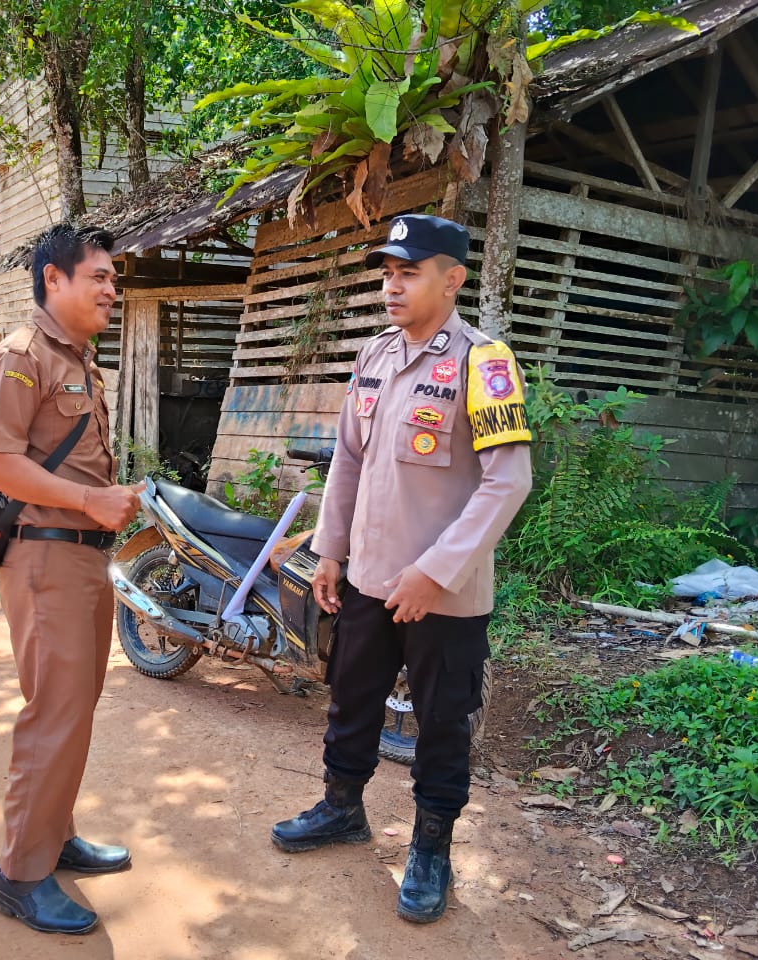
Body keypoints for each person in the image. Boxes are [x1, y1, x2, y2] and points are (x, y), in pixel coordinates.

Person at [270, 214, 533, 923]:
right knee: (350, 698)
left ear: (453, 280)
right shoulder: (375, 356)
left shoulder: (486, 363)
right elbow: (348, 462)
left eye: (408, 271)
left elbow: (508, 482)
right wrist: (330, 551)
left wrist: (437, 571)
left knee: (442, 724)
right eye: (387, 271)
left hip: (444, 597)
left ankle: (431, 848)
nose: (392, 284)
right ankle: (340, 808)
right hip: (368, 580)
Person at [0, 223, 141, 936]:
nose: (111, 289)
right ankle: (21, 873)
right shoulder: (20, 357)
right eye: (97, 276)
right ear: (54, 280)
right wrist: (88, 501)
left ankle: (54, 833)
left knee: (77, 704)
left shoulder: (81, 361)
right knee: (54, 711)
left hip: (81, 557)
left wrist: (102, 505)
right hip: (43, 557)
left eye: (111, 278)